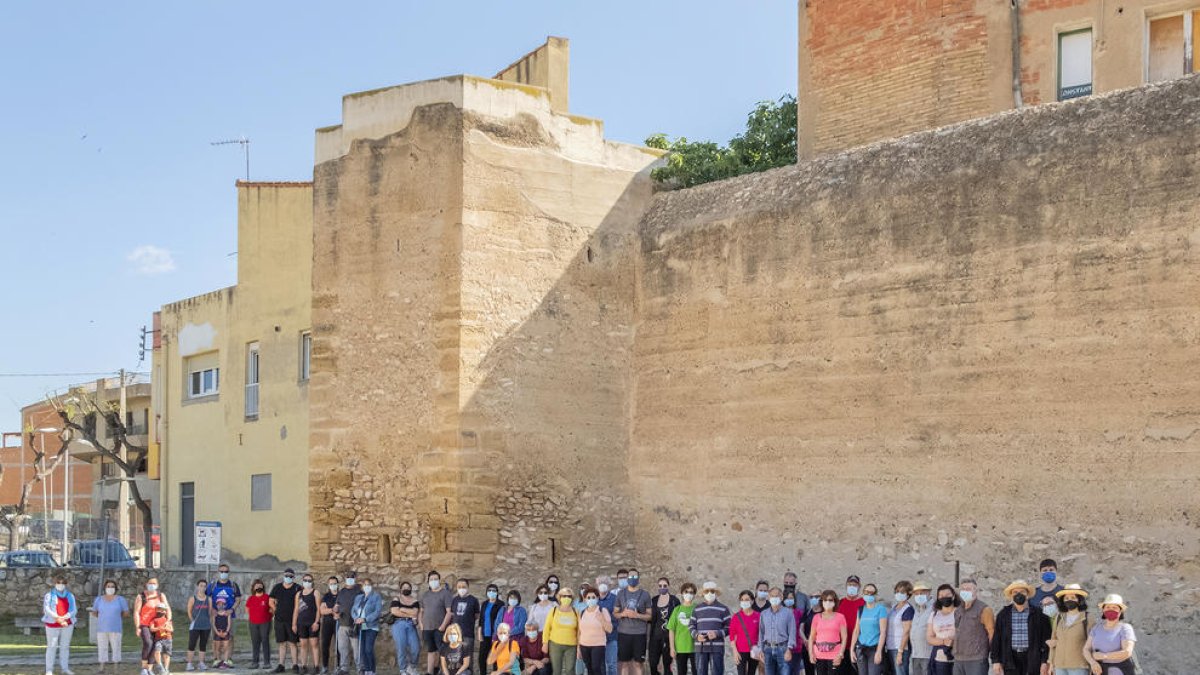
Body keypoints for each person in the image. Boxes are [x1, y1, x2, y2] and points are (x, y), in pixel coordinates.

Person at [990, 580, 1051, 675]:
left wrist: (1044, 661)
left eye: (1022, 591)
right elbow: (996, 639)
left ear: (1027, 595)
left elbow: (1046, 639)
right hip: (1010, 659)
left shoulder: (1039, 614)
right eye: (1015, 592)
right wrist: (995, 661)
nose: (1019, 594)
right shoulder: (1003, 614)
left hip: (1033, 659)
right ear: (1011, 596)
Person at [1082, 595, 1136, 675]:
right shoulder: (1096, 628)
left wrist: (1104, 656)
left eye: (1114, 607)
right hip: (1099, 672)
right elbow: (1086, 649)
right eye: (1107, 607)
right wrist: (1092, 662)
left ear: (1120, 611)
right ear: (1103, 610)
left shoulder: (1125, 628)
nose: (1110, 609)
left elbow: (1127, 652)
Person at [613, 568, 651, 675]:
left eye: (635, 576)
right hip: (624, 634)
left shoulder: (645, 594)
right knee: (624, 663)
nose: (632, 579)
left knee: (638, 663)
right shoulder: (620, 594)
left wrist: (637, 615)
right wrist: (623, 614)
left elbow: (650, 616)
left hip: (639, 634)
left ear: (638, 578)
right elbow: (615, 613)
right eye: (630, 576)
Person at [951, 578, 993, 675]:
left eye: (969, 589)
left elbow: (991, 633)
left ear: (975, 591)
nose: (965, 591)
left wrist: (993, 656)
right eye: (963, 589)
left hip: (976, 659)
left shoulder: (985, 609)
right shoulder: (958, 610)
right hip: (958, 659)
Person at [690, 581, 731, 675]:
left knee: (717, 673)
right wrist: (697, 635)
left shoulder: (724, 609)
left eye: (712, 591)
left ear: (716, 593)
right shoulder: (697, 609)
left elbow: (729, 628)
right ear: (703, 593)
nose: (709, 593)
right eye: (707, 591)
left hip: (717, 648)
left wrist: (717, 634)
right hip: (700, 648)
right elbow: (691, 626)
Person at [1047, 584, 1089, 675]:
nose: (1069, 600)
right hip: (1059, 667)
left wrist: (1092, 664)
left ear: (1079, 600)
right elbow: (1053, 641)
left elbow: (1092, 644)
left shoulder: (1087, 618)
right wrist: (1051, 663)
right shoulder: (1058, 618)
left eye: (1073, 597)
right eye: (1066, 598)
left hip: (1079, 666)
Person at [91, 578, 130, 674]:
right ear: (105, 588)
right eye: (108, 586)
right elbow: (94, 612)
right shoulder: (99, 599)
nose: (110, 588)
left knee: (116, 647)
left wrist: (116, 617)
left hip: (116, 628)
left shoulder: (121, 600)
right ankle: (101, 668)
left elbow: (126, 613)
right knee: (102, 648)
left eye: (112, 586)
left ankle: (116, 668)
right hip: (102, 628)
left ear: (115, 588)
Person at [134, 577, 171, 675]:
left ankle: (149, 668)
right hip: (145, 624)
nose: (152, 585)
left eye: (154, 583)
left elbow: (168, 609)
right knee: (148, 643)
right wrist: (137, 626)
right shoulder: (141, 596)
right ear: (146, 584)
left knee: (155, 646)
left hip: (158, 624)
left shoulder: (160, 595)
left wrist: (168, 621)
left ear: (157, 585)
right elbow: (136, 612)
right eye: (150, 583)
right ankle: (144, 668)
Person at [848, 583, 887, 675]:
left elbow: (883, 632)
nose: (869, 594)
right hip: (861, 649)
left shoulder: (881, 609)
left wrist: (879, 652)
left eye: (872, 593)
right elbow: (856, 630)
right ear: (863, 593)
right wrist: (852, 650)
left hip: (874, 649)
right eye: (866, 592)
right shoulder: (860, 610)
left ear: (876, 595)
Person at [42, 574, 77, 675]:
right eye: (58, 582)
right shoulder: (49, 596)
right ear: (54, 583)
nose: (60, 585)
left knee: (65, 646)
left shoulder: (70, 596)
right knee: (52, 646)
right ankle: (49, 669)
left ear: (66, 584)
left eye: (63, 583)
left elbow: (74, 610)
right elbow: (47, 609)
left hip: (67, 623)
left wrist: (65, 617)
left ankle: (65, 668)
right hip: (52, 623)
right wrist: (57, 618)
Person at [757, 587, 796, 675]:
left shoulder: (788, 613)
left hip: (783, 649)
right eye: (772, 596)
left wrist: (789, 649)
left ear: (781, 597)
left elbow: (792, 632)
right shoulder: (764, 614)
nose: (774, 598)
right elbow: (761, 633)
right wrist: (761, 649)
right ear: (768, 597)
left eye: (777, 596)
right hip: (767, 649)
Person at [422, 571, 455, 675]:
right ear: (428, 581)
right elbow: (421, 611)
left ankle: (444, 671)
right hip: (427, 628)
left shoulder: (445, 594)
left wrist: (442, 627)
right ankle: (430, 672)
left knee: (442, 652)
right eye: (431, 579)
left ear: (439, 580)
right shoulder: (425, 594)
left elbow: (449, 612)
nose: (433, 581)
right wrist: (421, 624)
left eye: (435, 579)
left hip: (440, 628)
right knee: (431, 651)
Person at [807, 590, 847, 675]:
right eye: (825, 600)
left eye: (830, 600)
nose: (827, 602)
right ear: (822, 602)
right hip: (819, 655)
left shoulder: (840, 617)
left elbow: (844, 637)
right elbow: (811, 637)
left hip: (834, 655)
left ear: (835, 602)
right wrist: (811, 654)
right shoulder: (816, 617)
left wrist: (840, 654)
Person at [207, 564, 242, 661]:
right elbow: (207, 598)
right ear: (218, 572)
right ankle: (216, 659)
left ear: (228, 572)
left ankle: (229, 659)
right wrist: (212, 609)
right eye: (221, 571)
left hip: (230, 616)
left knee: (230, 637)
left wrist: (232, 609)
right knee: (215, 638)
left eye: (226, 571)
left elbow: (238, 599)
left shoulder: (233, 585)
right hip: (216, 617)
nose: (223, 573)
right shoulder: (212, 585)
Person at [270, 569, 302, 673]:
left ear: (294, 577)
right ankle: (281, 665)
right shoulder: (277, 587)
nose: (288, 577)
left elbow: (301, 603)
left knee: (293, 643)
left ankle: (295, 665)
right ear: (283, 576)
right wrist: (276, 610)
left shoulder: (298, 588)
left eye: (290, 576)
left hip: (292, 620)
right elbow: (270, 601)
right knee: (282, 643)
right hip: (279, 620)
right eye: (286, 575)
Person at [544, 588, 580, 675]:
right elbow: (547, 628)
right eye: (564, 596)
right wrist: (545, 643)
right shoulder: (554, 610)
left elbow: (579, 631)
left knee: (570, 670)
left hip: (571, 646)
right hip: (555, 645)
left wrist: (579, 647)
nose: (566, 598)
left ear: (572, 598)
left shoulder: (576, 612)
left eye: (569, 596)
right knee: (556, 671)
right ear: (559, 597)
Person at [579, 587, 614, 675]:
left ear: (597, 598)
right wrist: (578, 648)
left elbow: (610, 629)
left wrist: (602, 619)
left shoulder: (603, 610)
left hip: (598, 645)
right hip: (584, 645)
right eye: (588, 597)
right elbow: (580, 631)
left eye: (593, 597)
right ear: (585, 599)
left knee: (596, 667)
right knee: (589, 668)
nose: (591, 599)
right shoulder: (582, 612)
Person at [334, 571, 363, 675]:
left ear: (355, 578)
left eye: (352, 577)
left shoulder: (359, 591)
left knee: (357, 650)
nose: (349, 578)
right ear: (345, 578)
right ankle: (344, 669)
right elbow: (336, 605)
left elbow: (363, 606)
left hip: (355, 625)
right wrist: (335, 612)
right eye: (348, 577)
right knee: (342, 648)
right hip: (342, 624)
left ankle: (360, 669)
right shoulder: (341, 591)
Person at [352, 578, 383, 675]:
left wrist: (365, 619)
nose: (367, 586)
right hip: (360, 626)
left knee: (368, 649)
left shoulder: (376, 596)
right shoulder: (358, 597)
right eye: (365, 585)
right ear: (362, 587)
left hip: (371, 626)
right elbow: (353, 610)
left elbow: (377, 612)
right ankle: (366, 670)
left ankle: (372, 670)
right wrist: (356, 618)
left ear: (372, 586)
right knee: (362, 650)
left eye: (368, 584)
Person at [648, 578, 680, 675]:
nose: (662, 588)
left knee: (667, 665)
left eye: (665, 586)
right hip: (655, 638)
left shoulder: (674, 601)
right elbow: (650, 617)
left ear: (668, 586)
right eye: (660, 586)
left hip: (668, 638)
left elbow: (678, 619)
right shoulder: (654, 600)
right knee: (653, 664)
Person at [666, 583, 697, 675]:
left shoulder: (697, 609)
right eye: (686, 591)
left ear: (694, 595)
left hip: (695, 647)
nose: (688, 594)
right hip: (680, 647)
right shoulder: (677, 610)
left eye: (691, 592)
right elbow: (671, 630)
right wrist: (672, 648)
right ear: (682, 593)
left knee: (697, 672)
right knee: (681, 672)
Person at [835, 577, 864, 675]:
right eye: (850, 585)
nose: (852, 587)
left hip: (857, 646)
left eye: (855, 585)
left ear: (859, 587)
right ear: (846, 586)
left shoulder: (863, 603)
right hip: (841, 646)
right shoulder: (840, 602)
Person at [392, 580, 422, 675]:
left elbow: (415, 613)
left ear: (411, 589)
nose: (406, 589)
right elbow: (394, 611)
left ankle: (412, 667)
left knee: (416, 647)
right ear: (401, 589)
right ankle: (403, 669)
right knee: (401, 647)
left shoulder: (415, 600)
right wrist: (409, 613)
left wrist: (402, 609)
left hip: (410, 624)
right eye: (404, 588)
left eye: (408, 588)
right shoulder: (396, 598)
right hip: (398, 624)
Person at [926, 585, 957, 675]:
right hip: (940, 658)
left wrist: (953, 640)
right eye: (941, 595)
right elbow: (929, 638)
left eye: (947, 594)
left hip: (958, 657)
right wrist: (944, 641)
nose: (944, 597)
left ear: (953, 596)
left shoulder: (959, 612)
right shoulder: (934, 615)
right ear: (938, 598)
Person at [884, 581, 914, 675]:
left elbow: (906, 631)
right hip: (891, 647)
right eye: (897, 591)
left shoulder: (908, 609)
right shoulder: (894, 608)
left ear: (908, 594)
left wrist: (900, 652)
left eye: (902, 592)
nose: (898, 594)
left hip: (900, 649)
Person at [295, 573, 322, 675]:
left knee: (314, 644)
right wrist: (294, 624)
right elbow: (296, 609)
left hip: (312, 623)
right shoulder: (298, 594)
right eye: (305, 580)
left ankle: (316, 666)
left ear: (312, 582)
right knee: (303, 645)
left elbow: (318, 609)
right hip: (301, 623)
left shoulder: (316, 593)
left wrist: (317, 622)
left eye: (309, 580)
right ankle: (304, 666)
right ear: (302, 581)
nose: (307, 582)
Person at [730, 590, 762, 675]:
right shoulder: (736, 617)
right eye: (742, 599)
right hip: (740, 651)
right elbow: (732, 636)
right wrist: (735, 652)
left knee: (752, 673)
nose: (744, 602)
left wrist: (760, 650)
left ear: (752, 601)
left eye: (747, 599)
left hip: (754, 650)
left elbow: (762, 634)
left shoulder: (758, 616)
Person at [451, 579, 481, 666]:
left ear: (468, 587)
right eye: (459, 587)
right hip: (455, 635)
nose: (461, 589)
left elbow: (476, 615)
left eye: (463, 587)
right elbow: (453, 615)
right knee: (456, 658)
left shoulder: (473, 600)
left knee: (468, 658)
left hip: (468, 634)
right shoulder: (455, 600)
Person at [185, 579, 212, 672]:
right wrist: (192, 620)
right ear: (197, 586)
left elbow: (209, 612)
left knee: (203, 645)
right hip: (195, 626)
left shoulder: (209, 599)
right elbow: (189, 610)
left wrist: (208, 621)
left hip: (206, 626)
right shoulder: (193, 598)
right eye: (201, 585)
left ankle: (201, 663)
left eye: (204, 586)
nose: (203, 588)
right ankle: (189, 664)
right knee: (192, 644)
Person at [247, 579, 274, 670]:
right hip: (253, 623)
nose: (258, 587)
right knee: (255, 643)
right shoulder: (251, 598)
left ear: (263, 587)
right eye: (256, 586)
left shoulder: (267, 597)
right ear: (253, 588)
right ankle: (255, 662)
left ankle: (267, 662)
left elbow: (272, 609)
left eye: (260, 585)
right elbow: (247, 610)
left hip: (265, 623)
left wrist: (268, 616)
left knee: (265, 641)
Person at [907, 582, 934, 675]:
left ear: (929, 593)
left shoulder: (934, 608)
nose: (919, 596)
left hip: (928, 654)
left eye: (922, 593)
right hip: (916, 654)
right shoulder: (916, 610)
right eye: (917, 594)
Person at [594, 576, 618, 675]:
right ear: (597, 585)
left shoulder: (614, 599)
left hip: (611, 637)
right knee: (599, 665)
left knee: (611, 664)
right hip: (597, 638)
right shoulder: (594, 599)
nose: (602, 585)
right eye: (600, 583)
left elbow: (616, 616)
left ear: (609, 585)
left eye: (605, 583)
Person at [480, 584, 506, 675]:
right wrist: (480, 633)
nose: (491, 592)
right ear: (486, 592)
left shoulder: (501, 604)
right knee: (482, 658)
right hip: (485, 635)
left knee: (496, 657)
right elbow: (481, 620)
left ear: (497, 592)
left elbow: (501, 620)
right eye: (489, 590)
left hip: (495, 635)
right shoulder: (484, 604)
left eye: (494, 590)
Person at [319, 576, 340, 675]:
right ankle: (325, 667)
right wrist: (332, 611)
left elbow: (344, 608)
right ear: (328, 585)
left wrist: (338, 613)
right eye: (331, 584)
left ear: (338, 584)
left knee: (339, 646)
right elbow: (322, 610)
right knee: (325, 645)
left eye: (335, 583)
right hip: (327, 623)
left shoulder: (342, 595)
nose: (333, 585)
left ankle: (339, 667)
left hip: (339, 623)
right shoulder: (326, 596)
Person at [783, 590, 806, 675]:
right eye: (787, 598)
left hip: (796, 648)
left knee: (795, 671)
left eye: (791, 598)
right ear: (783, 600)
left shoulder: (799, 613)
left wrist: (805, 640)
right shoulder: (780, 613)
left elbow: (801, 629)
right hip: (783, 648)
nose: (789, 600)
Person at [150, 605, 175, 675]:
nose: (162, 611)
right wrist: (159, 628)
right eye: (160, 609)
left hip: (168, 638)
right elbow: (151, 629)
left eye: (163, 610)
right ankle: (160, 666)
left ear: (165, 611)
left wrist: (167, 629)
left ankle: (166, 669)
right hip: (158, 639)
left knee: (167, 654)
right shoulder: (154, 620)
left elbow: (172, 629)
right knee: (157, 651)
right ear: (157, 610)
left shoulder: (168, 620)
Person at [212, 600, 233, 670]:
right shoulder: (215, 614)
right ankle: (218, 661)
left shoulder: (227, 614)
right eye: (218, 604)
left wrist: (226, 632)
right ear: (216, 605)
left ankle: (225, 662)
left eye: (222, 604)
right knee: (217, 648)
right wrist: (217, 632)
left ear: (225, 605)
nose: (220, 605)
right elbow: (213, 624)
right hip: (217, 633)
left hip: (225, 633)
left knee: (225, 648)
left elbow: (229, 624)